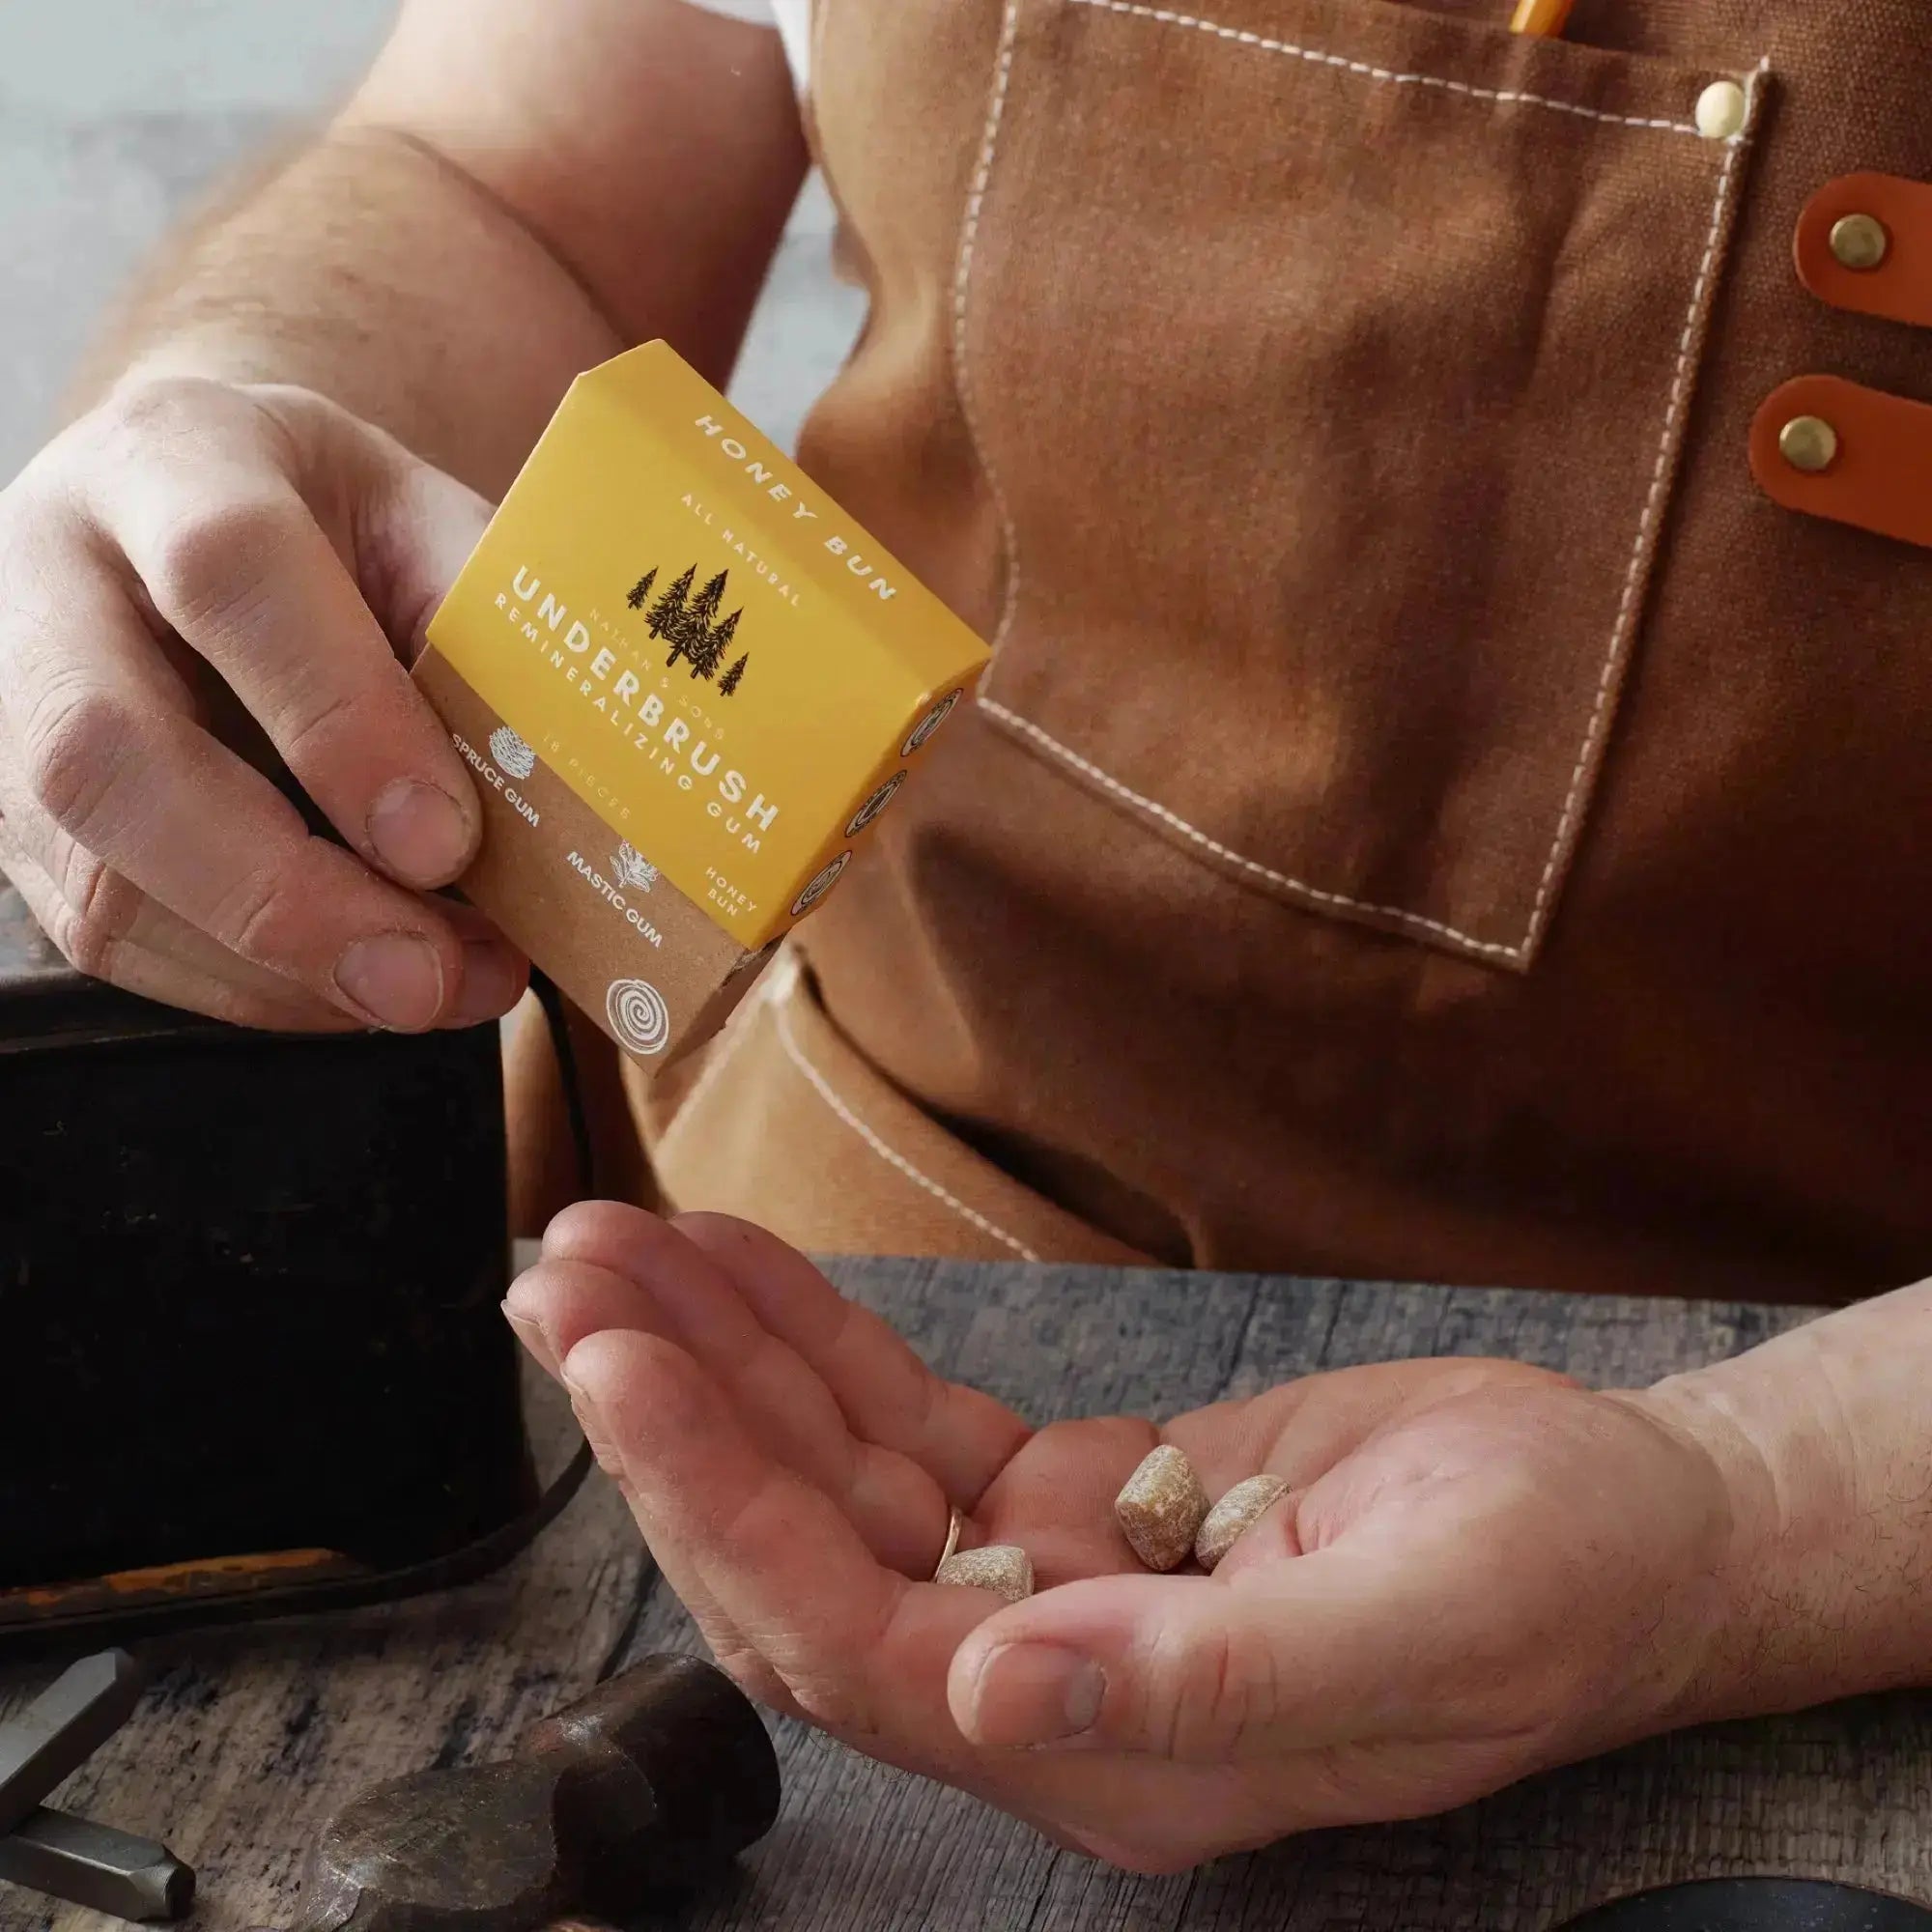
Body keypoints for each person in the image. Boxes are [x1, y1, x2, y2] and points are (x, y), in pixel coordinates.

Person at [2, 0, 1927, 1873]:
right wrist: (221, 433)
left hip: (1828, 1459)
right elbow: (507, 172)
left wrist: (1742, 1507)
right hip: (750, 1288)